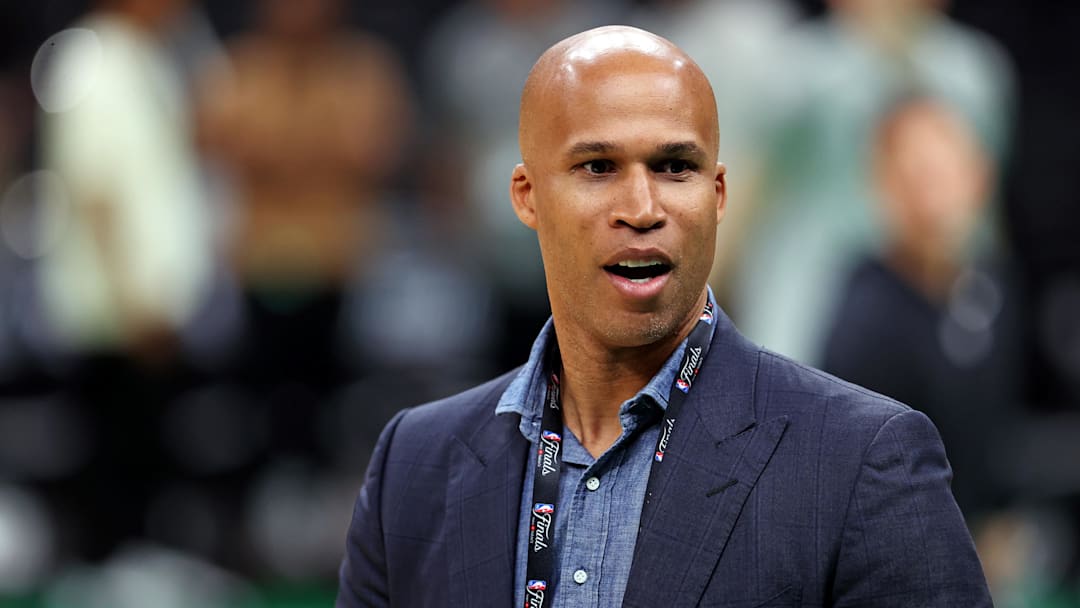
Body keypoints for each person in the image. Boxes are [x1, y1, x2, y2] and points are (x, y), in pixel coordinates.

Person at [337, 26, 991, 606]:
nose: (643, 206)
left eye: (675, 166)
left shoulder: (861, 460)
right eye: (598, 167)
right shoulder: (413, 466)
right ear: (527, 196)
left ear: (718, 194)